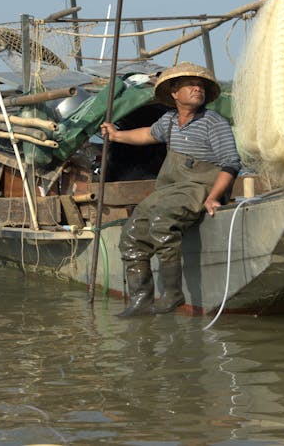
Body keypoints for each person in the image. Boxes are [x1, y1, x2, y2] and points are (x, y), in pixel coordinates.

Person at [99, 62, 241, 316]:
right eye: (190, 85)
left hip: (200, 186)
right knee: (131, 235)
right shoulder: (169, 121)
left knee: (162, 221)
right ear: (174, 93)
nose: (197, 89)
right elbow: (146, 135)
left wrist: (213, 198)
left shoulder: (213, 122)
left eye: (201, 86)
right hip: (171, 189)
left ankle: (173, 294)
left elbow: (231, 163)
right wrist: (117, 136)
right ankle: (141, 299)